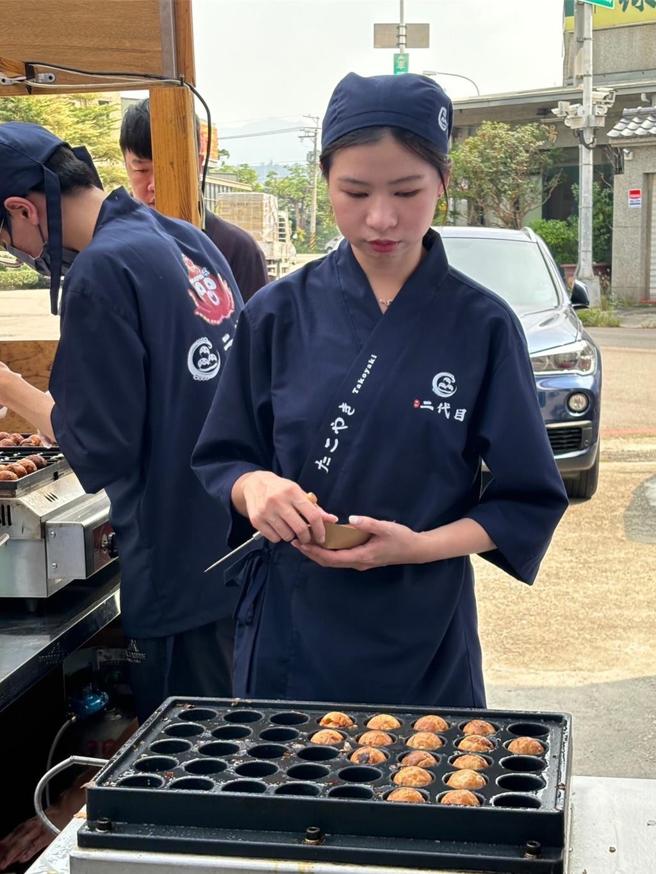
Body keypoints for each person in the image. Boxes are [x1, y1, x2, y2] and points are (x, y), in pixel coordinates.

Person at [192, 73, 569, 707]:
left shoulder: (482, 324)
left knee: (425, 791)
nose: (381, 218)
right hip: (294, 623)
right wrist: (255, 486)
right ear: (325, 179)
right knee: (287, 789)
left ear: (443, 183)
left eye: (407, 190)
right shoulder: (277, 313)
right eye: (355, 191)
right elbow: (224, 457)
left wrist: (419, 547)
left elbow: (524, 500)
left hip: (422, 624)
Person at [0, 122, 242, 722]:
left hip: (176, 559)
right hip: (234, 546)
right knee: (236, 733)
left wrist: (8, 386)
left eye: (7, 240)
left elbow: (95, 440)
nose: (19, 255)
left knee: (191, 757)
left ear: (22, 210)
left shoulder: (102, 270)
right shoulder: (186, 240)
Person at [120, 98, 269, 301]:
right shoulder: (114, 250)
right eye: (141, 170)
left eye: (169, 168)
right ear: (126, 165)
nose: (154, 184)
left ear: (198, 163)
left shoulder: (237, 249)